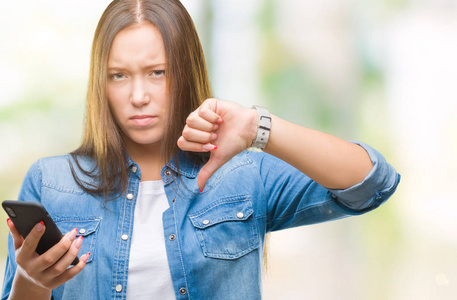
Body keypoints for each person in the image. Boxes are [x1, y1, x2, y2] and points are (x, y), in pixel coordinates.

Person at [1, 0, 400, 299]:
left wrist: (259, 127)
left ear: (185, 71)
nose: (138, 96)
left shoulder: (241, 176)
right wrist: (32, 280)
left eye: (157, 72)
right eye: (119, 76)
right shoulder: (51, 182)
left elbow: (372, 182)